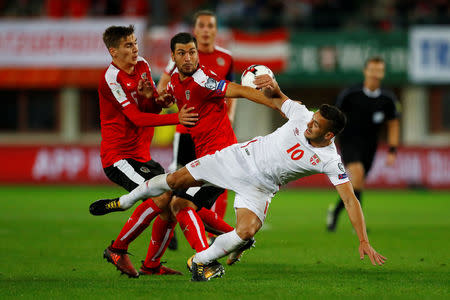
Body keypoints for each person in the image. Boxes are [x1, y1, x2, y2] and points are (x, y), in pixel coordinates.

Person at [91, 71, 387, 282]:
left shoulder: (330, 159)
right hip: (236, 159)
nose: (309, 123)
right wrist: (271, 86)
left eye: (316, 124)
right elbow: (277, 98)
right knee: (175, 181)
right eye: (312, 118)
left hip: (261, 187)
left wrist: (363, 239)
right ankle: (126, 201)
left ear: (329, 134)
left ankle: (199, 261)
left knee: (246, 233)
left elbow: (349, 199)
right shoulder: (300, 114)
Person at [91, 32, 280, 280]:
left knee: (174, 202)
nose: (188, 57)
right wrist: (155, 99)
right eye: (182, 53)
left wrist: (281, 103)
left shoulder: (203, 79)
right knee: (171, 201)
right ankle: (151, 262)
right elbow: (144, 112)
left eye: (192, 52)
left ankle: (203, 257)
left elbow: (241, 91)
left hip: (222, 159)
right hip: (125, 156)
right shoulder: (163, 83)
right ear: (173, 57)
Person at [96, 25, 199, 278]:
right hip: (118, 157)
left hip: (141, 156)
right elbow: (136, 119)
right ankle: (117, 249)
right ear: (113, 51)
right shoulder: (111, 79)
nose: (135, 49)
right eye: (128, 45)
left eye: (135, 42)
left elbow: (148, 109)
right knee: (163, 198)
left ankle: (151, 265)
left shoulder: (141, 65)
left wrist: (157, 101)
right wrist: (177, 117)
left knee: (170, 203)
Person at [157, 10, 236, 249]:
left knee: (215, 186)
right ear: (195, 29)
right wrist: (176, 112)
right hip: (186, 133)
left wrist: (229, 120)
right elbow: (163, 89)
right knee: (175, 186)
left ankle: (218, 236)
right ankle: (170, 232)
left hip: (214, 135)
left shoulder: (226, 58)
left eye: (210, 25)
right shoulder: (182, 55)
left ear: (215, 30)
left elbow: (231, 92)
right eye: (201, 25)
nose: (206, 30)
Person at [326, 56, 400, 232]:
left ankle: (335, 213)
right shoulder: (350, 94)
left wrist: (392, 150)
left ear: (382, 73)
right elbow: (334, 116)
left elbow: (393, 124)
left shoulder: (387, 99)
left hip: (370, 145)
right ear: (365, 71)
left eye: (379, 70)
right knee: (357, 176)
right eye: (372, 70)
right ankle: (357, 222)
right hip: (350, 141)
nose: (375, 74)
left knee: (356, 184)